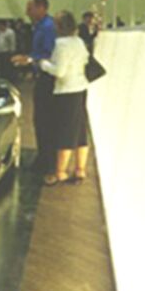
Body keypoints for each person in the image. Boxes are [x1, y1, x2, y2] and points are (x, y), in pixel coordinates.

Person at [37, 11, 90, 186]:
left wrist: (44, 64)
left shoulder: (61, 44)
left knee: (65, 132)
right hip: (81, 89)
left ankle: (60, 173)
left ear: (59, 26)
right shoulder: (79, 41)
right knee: (81, 131)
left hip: (66, 92)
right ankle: (80, 170)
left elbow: (59, 72)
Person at [11, 0, 57, 174]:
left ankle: (47, 161)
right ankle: (44, 156)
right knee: (40, 120)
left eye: (30, 8)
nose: (27, 12)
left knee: (45, 120)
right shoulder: (40, 27)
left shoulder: (48, 28)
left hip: (48, 79)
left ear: (41, 8)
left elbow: (50, 54)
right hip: (42, 77)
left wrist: (29, 60)